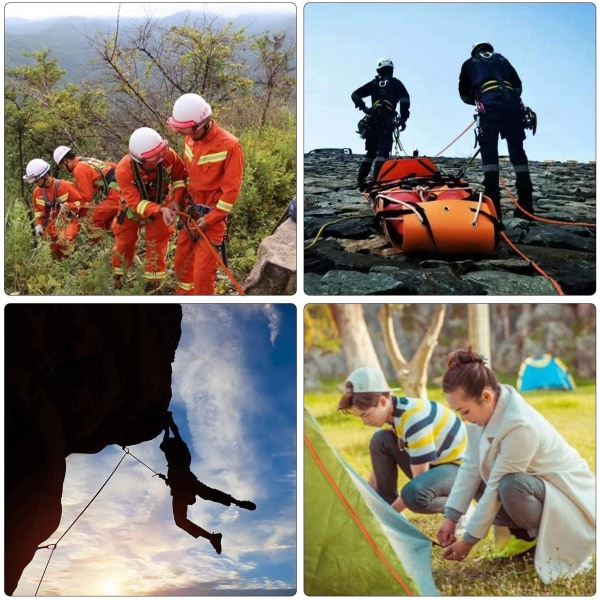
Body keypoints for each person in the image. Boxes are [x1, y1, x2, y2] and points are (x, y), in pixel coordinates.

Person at [436, 349, 595, 583]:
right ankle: (522, 539)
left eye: (465, 411)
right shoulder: (481, 413)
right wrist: (451, 516)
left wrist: (468, 541)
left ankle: (542, 542)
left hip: (569, 498)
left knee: (511, 485)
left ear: (487, 397)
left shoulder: (520, 425)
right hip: (535, 490)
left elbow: (497, 485)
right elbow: (470, 465)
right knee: (484, 475)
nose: (464, 418)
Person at [338, 366, 467, 515]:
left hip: (459, 470)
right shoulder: (388, 420)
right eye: (359, 417)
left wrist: (389, 516)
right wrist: (362, 509)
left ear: (383, 401)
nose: (364, 422)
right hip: (435, 465)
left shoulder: (414, 418)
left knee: (414, 495)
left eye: (366, 415)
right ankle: (386, 505)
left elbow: (419, 481)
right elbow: (375, 481)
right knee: (379, 440)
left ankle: (459, 505)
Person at [167, 93, 245, 295]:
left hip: (211, 221)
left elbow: (231, 191)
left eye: (186, 129)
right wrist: (177, 200)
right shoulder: (190, 139)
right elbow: (184, 175)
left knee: (202, 276)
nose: (184, 133)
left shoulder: (230, 145)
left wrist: (211, 219)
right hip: (189, 214)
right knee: (181, 268)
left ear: (201, 124)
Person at [159, 412, 256, 555]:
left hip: (184, 484)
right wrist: (169, 423)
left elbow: (171, 436)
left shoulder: (174, 454)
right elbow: (174, 434)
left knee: (183, 517)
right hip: (187, 482)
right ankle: (235, 504)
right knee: (208, 494)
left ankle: (213, 536)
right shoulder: (181, 452)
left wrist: (168, 424)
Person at [459, 42, 534, 221]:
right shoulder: (501, 59)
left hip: (489, 106)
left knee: (489, 154)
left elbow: (464, 94)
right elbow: (518, 86)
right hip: (513, 106)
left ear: (475, 52)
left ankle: (494, 207)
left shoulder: (470, 63)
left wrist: (479, 97)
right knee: (517, 152)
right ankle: (526, 205)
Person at [113, 127, 187, 292]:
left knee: (158, 242)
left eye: (161, 152)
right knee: (124, 242)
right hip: (133, 207)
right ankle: (118, 279)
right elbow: (135, 203)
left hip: (162, 200)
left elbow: (179, 178)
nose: (161, 158)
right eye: (154, 156)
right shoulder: (124, 170)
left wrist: (176, 200)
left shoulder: (168, 156)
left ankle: (153, 286)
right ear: (140, 160)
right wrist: (159, 210)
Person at [351, 58, 410, 190]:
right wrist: (403, 118)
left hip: (372, 121)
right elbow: (405, 100)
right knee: (382, 152)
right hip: (386, 121)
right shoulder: (396, 84)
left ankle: (361, 180)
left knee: (370, 152)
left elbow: (355, 94)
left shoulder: (374, 83)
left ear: (379, 70)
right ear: (391, 70)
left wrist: (364, 108)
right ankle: (377, 182)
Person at [24, 158, 85, 259]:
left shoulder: (66, 186)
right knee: (48, 252)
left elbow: (81, 202)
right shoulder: (37, 192)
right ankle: (62, 266)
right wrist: (39, 224)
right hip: (52, 225)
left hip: (69, 221)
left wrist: (69, 206)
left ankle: (74, 263)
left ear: (45, 176)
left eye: (37, 180)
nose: (36, 183)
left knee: (64, 240)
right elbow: (39, 211)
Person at [53, 145, 121, 232]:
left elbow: (87, 198)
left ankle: (92, 244)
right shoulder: (87, 161)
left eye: (62, 166)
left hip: (116, 194)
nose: (64, 168)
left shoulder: (79, 168)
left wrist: (75, 211)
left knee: (92, 223)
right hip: (120, 188)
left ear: (65, 161)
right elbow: (111, 167)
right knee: (105, 222)